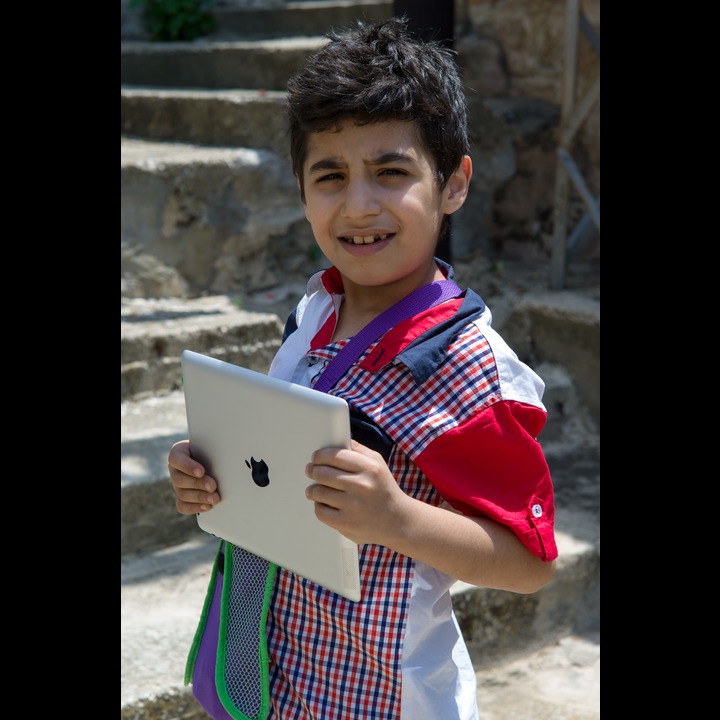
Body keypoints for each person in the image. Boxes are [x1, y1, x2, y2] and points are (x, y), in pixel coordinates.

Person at [168, 17, 558, 720]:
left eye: (391, 172)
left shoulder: (468, 365)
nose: (358, 205)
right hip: (270, 681)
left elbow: (529, 563)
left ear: (453, 183)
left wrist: (397, 518)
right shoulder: (315, 311)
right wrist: (210, 472)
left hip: (385, 701)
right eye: (330, 176)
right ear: (300, 189)